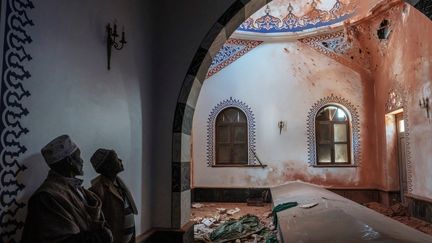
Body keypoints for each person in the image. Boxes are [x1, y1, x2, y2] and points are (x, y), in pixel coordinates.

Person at [21, 135, 113, 243]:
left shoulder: (75, 187)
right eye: (79, 156)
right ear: (70, 161)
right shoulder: (46, 198)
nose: (82, 160)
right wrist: (102, 236)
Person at [89, 148, 137, 243]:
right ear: (108, 166)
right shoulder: (97, 190)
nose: (120, 160)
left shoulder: (119, 184)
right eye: (116, 158)